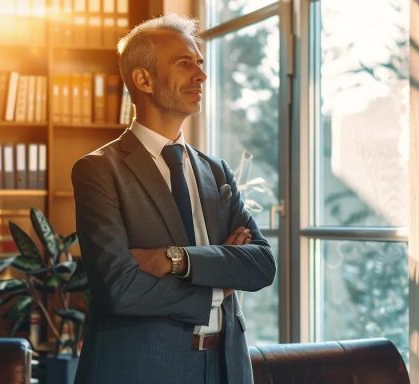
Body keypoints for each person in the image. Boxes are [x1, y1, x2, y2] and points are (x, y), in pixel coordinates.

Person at [71, 13, 276, 384]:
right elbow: (119, 290)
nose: (201, 75)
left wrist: (175, 259)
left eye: (200, 62)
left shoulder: (217, 171)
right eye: (185, 63)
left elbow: (261, 265)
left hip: (226, 368)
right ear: (143, 79)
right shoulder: (99, 171)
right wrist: (219, 286)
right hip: (141, 370)